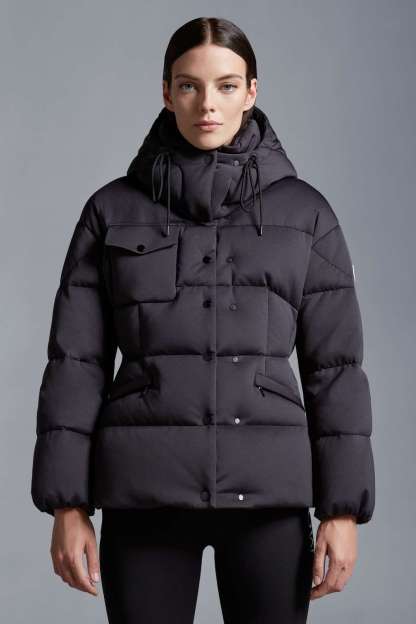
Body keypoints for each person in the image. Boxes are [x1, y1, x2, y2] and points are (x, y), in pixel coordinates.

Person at [31, 16, 375, 624]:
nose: (207, 104)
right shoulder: (111, 211)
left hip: (269, 498)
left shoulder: (306, 215)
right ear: (167, 93)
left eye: (226, 85)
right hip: (145, 494)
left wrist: (342, 511)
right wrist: (68, 506)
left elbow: (336, 369)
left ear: (251, 92)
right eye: (189, 85)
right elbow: (76, 364)